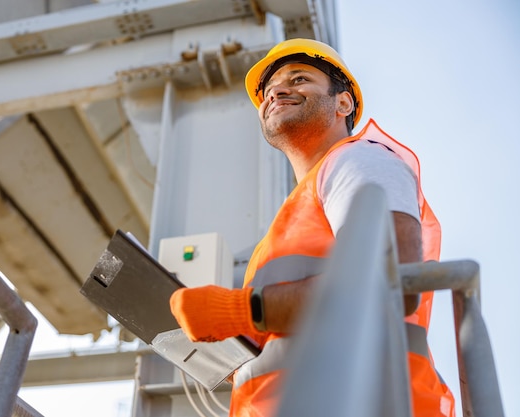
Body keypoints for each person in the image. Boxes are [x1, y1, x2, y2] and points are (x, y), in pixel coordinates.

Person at [169, 38, 455, 417]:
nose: (277, 91)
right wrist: (245, 338)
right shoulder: (298, 208)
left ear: (343, 103)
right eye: (269, 90)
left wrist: (242, 311)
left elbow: (388, 284)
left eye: (299, 79)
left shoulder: (358, 160)